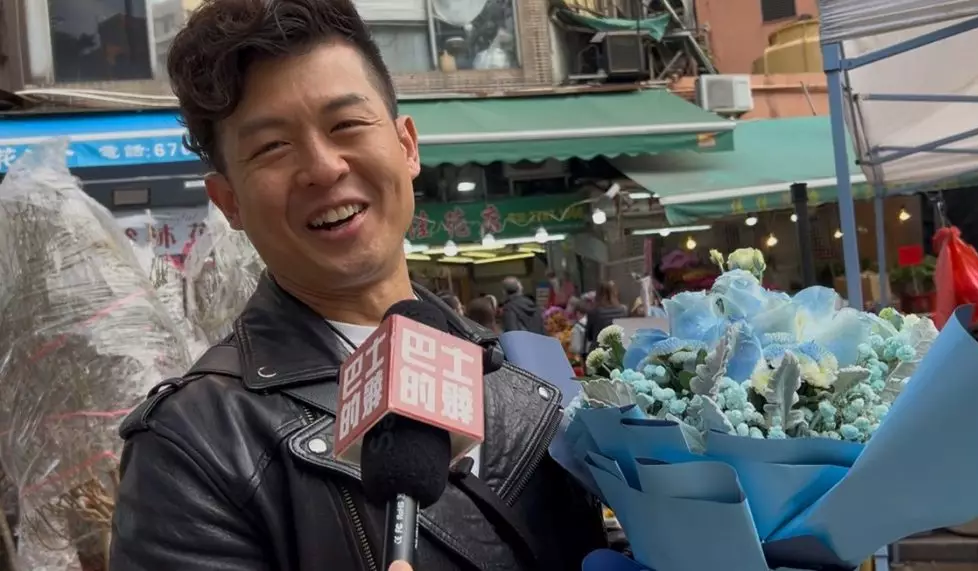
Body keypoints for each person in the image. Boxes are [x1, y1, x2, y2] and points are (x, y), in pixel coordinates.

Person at [108, 2, 606, 569]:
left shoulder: (522, 375)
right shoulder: (194, 448)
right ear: (229, 202)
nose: (324, 168)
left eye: (346, 124)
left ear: (407, 146)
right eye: (272, 147)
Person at [584, 281, 629, 352]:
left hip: (599, 351)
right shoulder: (623, 310)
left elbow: (589, 336)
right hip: (617, 351)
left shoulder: (594, 312)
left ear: (598, 294)